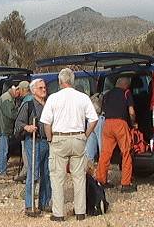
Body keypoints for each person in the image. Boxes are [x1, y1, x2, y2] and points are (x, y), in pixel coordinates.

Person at [40, 68, 98, 221]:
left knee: (57, 178)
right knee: (79, 177)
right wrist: (85, 135)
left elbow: (46, 122)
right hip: (78, 138)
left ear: (60, 82)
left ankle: (58, 214)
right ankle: (80, 212)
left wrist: (50, 139)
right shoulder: (83, 97)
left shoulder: (53, 98)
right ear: (73, 81)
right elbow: (94, 119)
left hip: (59, 138)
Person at [15, 79, 51, 216]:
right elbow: (19, 123)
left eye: (44, 87)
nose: (44, 89)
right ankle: (29, 205)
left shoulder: (48, 104)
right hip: (33, 141)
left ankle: (44, 202)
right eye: (40, 88)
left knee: (46, 173)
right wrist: (27, 127)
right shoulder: (28, 105)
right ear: (33, 90)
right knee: (34, 172)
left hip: (47, 141)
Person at [96, 77, 138, 193]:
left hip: (107, 124)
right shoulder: (127, 93)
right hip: (120, 124)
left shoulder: (107, 94)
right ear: (126, 85)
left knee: (105, 153)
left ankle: (101, 180)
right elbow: (131, 112)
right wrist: (133, 123)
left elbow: (102, 109)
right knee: (126, 152)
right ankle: (125, 183)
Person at [0, 82, 23, 179]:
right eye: (19, 93)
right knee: (3, 150)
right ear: (16, 90)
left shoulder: (8, 97)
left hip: (3, 127)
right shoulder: (7, 99)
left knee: (2, 149)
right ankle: (1, 172)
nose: (19, 96)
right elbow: (11, 114)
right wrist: (20, 113)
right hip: (3, 128)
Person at [13, 81, 31, 182]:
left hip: (26, 133)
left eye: (19, 89)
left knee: (27, 155)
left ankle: (27, 176)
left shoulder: (26, 101)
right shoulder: (31, 99)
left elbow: (21, 119)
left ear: (24, 90)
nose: (18, 91)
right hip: (29, 132)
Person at [85, 91, 107, 163]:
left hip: (90, 120)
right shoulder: (107, 94)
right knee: (102, 146)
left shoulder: (91, 96)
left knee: (90, 149)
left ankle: (89, 167)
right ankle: (103, 167)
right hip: (100, 120)